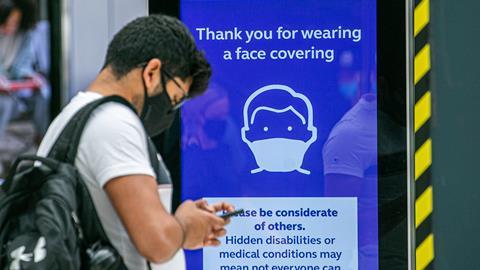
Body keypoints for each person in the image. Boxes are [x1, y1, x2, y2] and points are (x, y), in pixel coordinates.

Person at [37, 14, 234, 269]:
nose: (169, 114)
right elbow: (156, 243)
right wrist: (183, 226)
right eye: (174, 100)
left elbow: (123, 227)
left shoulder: (77, 115)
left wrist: (180, 224)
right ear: (152, 72)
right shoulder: (113, 122)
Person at [0, 0, 50, 140]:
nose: (10, 27)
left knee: (42, 96)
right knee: (4, 104)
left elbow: (23, 64)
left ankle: (43, 140)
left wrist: (29, 76)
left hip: (15, 88)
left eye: (15, 22)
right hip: (4, 94)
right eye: (8, 22)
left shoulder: (24, 36)